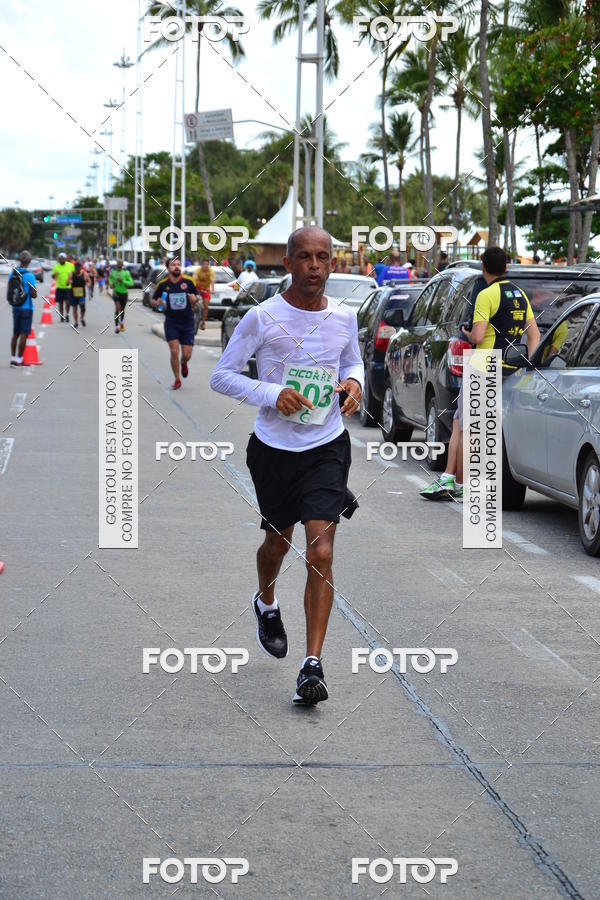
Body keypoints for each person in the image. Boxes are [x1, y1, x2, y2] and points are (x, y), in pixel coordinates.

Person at [210, 226, 363, 705]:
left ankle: (312, 664)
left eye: (322, 258)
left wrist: (355, 386)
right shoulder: (262, 317)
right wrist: (273, 394)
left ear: (332, 263)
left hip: (327, 447)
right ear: (288, 263)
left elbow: (352, 364)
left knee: (320, 551)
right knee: (277, 542)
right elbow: (222, 376)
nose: (314, 266)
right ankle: (266, 602)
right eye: (304, 257)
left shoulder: (345, 318)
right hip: (273, 449)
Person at [420, 246, 541, 501]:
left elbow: (477, 335)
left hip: (482, 365)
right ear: (506, 267)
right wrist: (526, 363)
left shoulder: (486, 295)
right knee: (459, 421)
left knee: (468, 427)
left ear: (483, 266)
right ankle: (449, 477)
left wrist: (466, 333)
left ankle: (461, 483)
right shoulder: (520, 294)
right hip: (509, 368)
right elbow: (535, 336)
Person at [151, 256, 199, 390]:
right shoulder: (163, 284)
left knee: (186, 355)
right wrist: (157, 302)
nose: (177, 267)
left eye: (178, 264)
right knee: (173, 351)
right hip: (171, 321)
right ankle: (177, 379)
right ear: (168, 268)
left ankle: (184, 363)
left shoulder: (188, 282)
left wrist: (194, 299)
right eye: (173, 265)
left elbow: (197, 297)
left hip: (187, 321)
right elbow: (153, 300)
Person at [9, 250, 37, 366]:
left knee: (15, 333)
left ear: (20, 260)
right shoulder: (30, 276)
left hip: (15, 307)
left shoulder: (13, 273)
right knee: (24, 334)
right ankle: (19, 359)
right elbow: (34, 295)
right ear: (29, 262)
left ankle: (13, 357)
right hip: (26, 308)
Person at [109, 260, 134, 334]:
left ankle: (121, 322)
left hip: (124, 293)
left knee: (122, 310)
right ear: (116, 264)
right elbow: (110, 278)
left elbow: (131, 283)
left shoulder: (126, 272)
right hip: (116, 293)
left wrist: (122, 281)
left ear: (122, 265)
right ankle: (117, 326)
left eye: (120, 264)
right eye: (118, 264)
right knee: (117, 308)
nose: (119, 265)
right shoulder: (113, 271)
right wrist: (110, 283)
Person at [51, 252, 75, 322]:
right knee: (60, 303)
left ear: (65, 259)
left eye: (63, 258)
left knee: (68, 302)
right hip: (59, 287)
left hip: (68, 287)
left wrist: (71, 280)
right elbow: (52, 276)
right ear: (59, 259)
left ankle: (67, 314)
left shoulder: (70, 265)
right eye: (60, 259)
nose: (62, 260)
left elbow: (74, 274)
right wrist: (55, 274)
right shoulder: (56, 266)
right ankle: (61, 316)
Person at [193, 258, 215, 330]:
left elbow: (212, 281)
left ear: (208, 265)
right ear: (201, 264)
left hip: (206, 289)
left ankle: (203, 322)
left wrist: (212, 290)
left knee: (206, 306)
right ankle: (192, 312)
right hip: (198, 289)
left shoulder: (211, 271)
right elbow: (194, 279)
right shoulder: (198, 270)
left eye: (207, 264)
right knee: (193, 300)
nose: (205, 266)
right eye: (204, 264)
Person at [69, 262, 88, 328]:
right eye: (76, 268)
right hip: (73, 293)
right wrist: (69, 281)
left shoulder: (84, 274)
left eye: (79, 268)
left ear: (81, 268)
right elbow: (67, 282)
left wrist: (88, 283)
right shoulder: (71, 274)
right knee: (75, 308)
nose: (77, 269)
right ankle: (76, 322)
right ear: (74, 268)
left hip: (81, 293)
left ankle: (82, 318)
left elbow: (88, 281)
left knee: (82, 306)